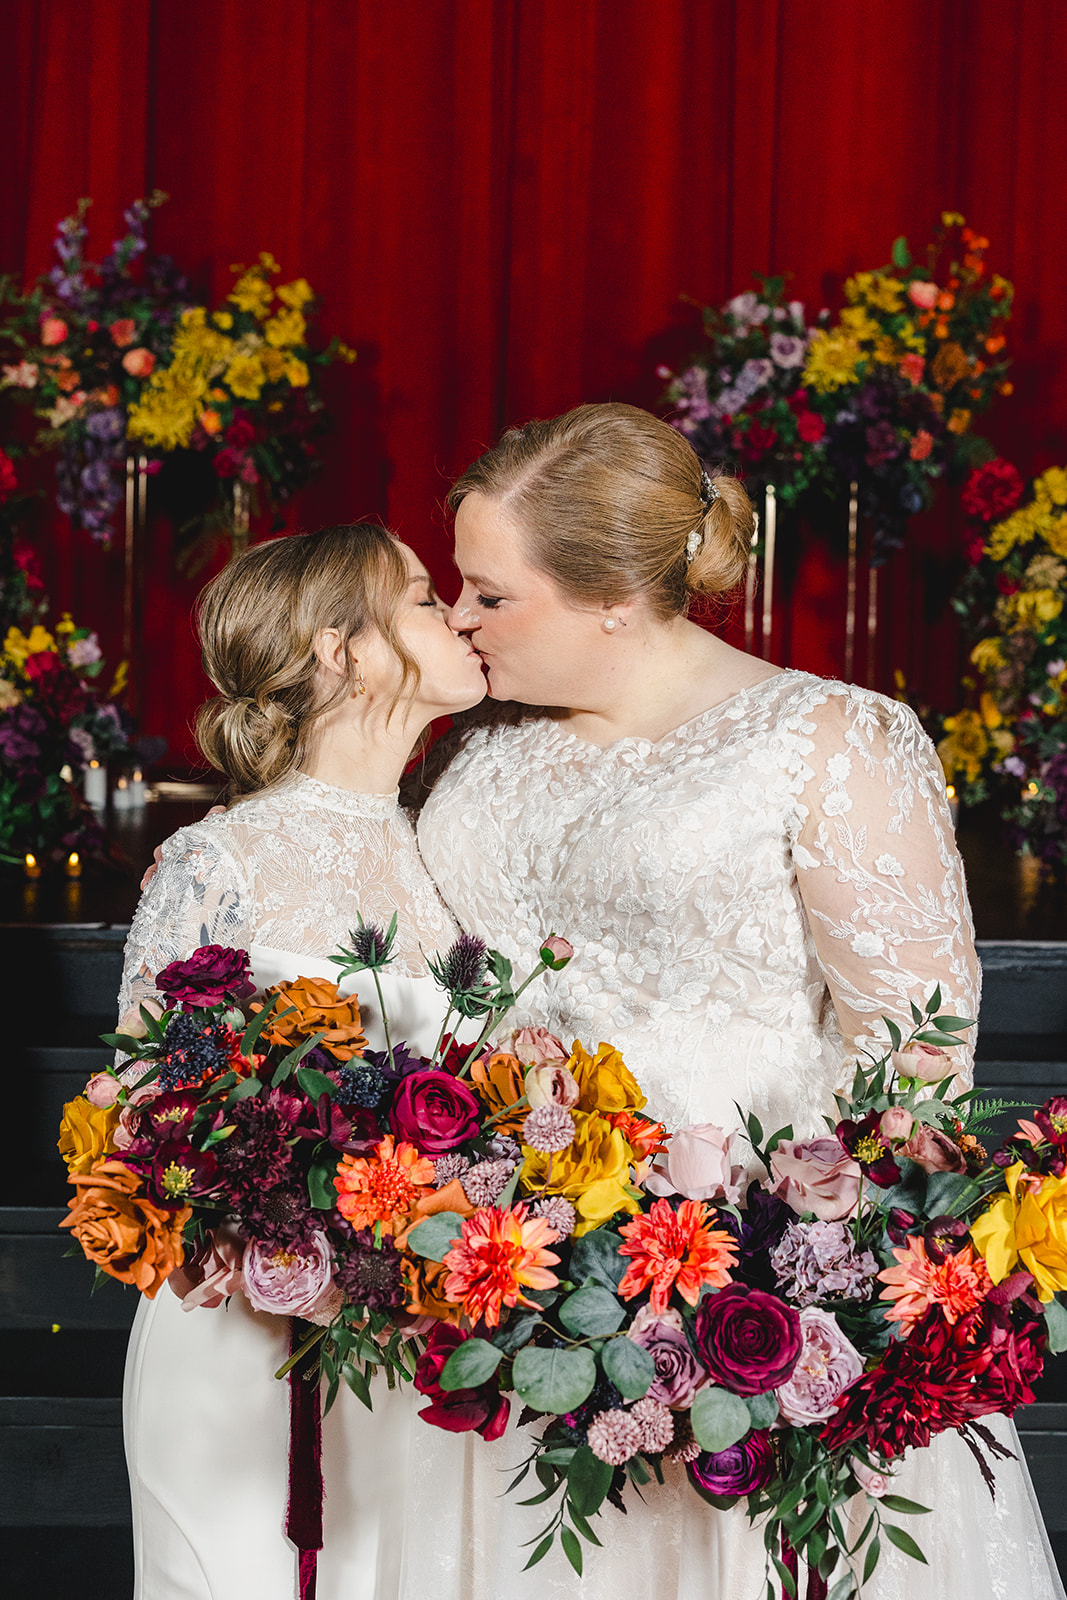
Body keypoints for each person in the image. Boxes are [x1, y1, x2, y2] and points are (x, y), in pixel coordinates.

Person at [410, 402, 1065, 1599]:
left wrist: (796, 1297)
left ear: (611, 592)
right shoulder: (488, 747)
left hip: (729, 1293)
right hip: (503, 1289)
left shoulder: (828, 739)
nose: (457, 617)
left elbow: (912, 1062)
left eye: (489, 593)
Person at [117, 522, 487, 1600]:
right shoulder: (215, 862)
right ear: (342, 649)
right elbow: (143, 1126)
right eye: (423, 597)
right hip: (240, 1341)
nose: (457, 612)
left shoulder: (459, 851)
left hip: (418, 1341)